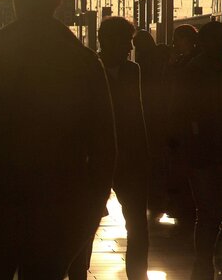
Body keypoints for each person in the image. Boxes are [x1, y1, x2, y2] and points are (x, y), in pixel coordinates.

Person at [0, 0, 116, 278]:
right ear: (58, 0)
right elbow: (105, 147)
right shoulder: (82, 60)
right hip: (58, 209)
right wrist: (89, 209)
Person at [174, 21, 222, 280]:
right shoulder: (215, 71)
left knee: (209, 210)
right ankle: (204, 259)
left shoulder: (192, 71)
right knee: (212, 209)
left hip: (207, 151)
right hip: (212, 152)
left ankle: (203, 260)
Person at [98, 17, 150, 280]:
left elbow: (138, 113)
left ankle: (138, 276)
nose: (130, 47)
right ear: (107, 41)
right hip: (97, 156)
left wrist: (144, 155)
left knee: (138, 224)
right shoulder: (90, 69)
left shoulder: (133, 71)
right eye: (126, 41)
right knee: (84, 224)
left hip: (130, 156)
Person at [133, 30, 170, 221]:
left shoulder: (143, 64)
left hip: (150, 115)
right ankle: (159, 196)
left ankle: (154, 195)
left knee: (151, 158)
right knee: (158, 158)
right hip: (161, 115)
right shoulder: (162, 59)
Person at [166, 24, 199, 230]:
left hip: (186, 125)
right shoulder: (185, 61)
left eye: (179, 39)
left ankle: (186, 207)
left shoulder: (189, 64)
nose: (176, 43)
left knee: (185, 168)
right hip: (183, 124)